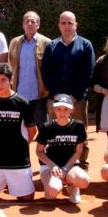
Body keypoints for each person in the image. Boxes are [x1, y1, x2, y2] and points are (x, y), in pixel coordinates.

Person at [41, 11, 95, 167]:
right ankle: (55, 165)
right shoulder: (51, 45)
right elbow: (46, 72)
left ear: (76, 24)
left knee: (80, 134)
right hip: (55, 99)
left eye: (70, 23)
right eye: (63, 23)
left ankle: (82, 165)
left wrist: (75, 96)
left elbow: (87, 73)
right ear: (59, 25)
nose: (66, 26)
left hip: (77, 100)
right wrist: (56, 94)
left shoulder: (85, 45)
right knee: (54, 135)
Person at [0, 63, 37, 202]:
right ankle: (5, 182)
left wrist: (21, 145)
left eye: (3, 80)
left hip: (18, 159)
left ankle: (13, 182)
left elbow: (32, 131)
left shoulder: (22, 103)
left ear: (11, 79)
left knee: (27, 198)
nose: (0, 84)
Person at [35, 94, 90, 204]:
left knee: (84, 181)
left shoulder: (78, 126)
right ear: (54, 110)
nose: (62, 112)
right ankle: (52, 185)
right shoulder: (47, 127)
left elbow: (79, 151)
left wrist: (65, 169)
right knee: (53, 191)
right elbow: (39, 151)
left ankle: (72, 186)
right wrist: (52, 165)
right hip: (49, 166)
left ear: (71, 110)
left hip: (70, 165)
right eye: (59, 109)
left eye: (66, 109)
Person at [8, 11, 51, 127]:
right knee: (20, 128)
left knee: (43, 127)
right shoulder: (14, 42)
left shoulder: (47, 43)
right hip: (19, 94)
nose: (30, 24)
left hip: (39, 94)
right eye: (27, 21)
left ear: (38, 25)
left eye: (33, 21)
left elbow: (51, 69)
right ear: (23, 25)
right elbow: (9, 67)